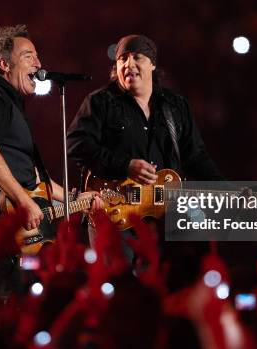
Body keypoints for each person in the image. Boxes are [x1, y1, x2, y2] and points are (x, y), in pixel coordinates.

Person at [0, 24, 99, 296]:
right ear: (4, 64)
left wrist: (78, 200)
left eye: (37, 56)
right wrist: (25, 202)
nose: (38, 63)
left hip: (17, 216)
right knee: (11, 307)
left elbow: (36, 181)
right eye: (28, 56)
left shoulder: (11, 102)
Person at [66, 34, 224, 256]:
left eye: (137, 57)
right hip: (113, 213)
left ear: (152, 64)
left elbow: (195, 156)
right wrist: (125, 165)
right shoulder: (99, 102)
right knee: (122, 285)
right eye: (122, 59)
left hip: (165, 216)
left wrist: (224, 188)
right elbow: (76, 144)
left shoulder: (174, 105)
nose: (128, 64)